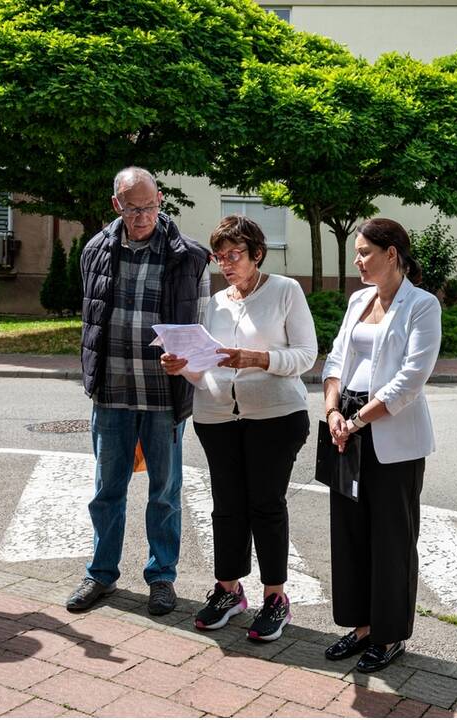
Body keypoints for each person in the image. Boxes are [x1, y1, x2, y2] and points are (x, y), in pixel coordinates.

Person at [161, 215, 318, 642]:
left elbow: (307, 356)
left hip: (275, 417)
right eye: (220, 256)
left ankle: (275, 598)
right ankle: (229, 590)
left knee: (265, 505)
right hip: (216, 418)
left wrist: (259, 359)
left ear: (257, 254)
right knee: (226, 506)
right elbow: (207, 367)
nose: (227, 263)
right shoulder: (216, 303)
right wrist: (182, 366)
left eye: (235, 255)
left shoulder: (284, 291)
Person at [69, 167, 210, 615]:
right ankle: (100, 574)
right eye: (133, 208)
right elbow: (91, 318)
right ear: (117, 205)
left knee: (164, 493)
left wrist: (185, 362)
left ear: (160, 201)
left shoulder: (189, 257)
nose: (143, 215)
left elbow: (200, 328)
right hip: (111, 392)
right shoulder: (94, 250)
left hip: (162, 396)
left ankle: (161, 577)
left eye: (150, 206)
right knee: (106, 489)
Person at [320, 218, 441, 674]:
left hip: (391, 431)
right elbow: (336, 357)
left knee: (392, 538)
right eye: (357, 251)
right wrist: (333, 411)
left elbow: (411, 378)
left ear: (393, 254)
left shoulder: (422, 305)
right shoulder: (358, 299)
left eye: (366, 251)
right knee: (349, 532)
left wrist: (355, 421)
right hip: (344, 423)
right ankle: (361, 626)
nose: (358, 260)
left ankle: (389, 635)